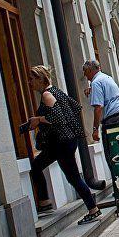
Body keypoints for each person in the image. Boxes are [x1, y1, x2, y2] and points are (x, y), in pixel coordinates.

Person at [27, 65, 102, 224]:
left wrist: (38, 120)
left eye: (31, 79)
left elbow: (58, 118)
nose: (29, 82)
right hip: (64, 141)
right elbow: (75, 106)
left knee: (73, 177)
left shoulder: (47, 94)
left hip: (60, 142)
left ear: (40, 79)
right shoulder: (56, 91)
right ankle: (45, 202)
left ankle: (93, 209)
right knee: (37, 166)